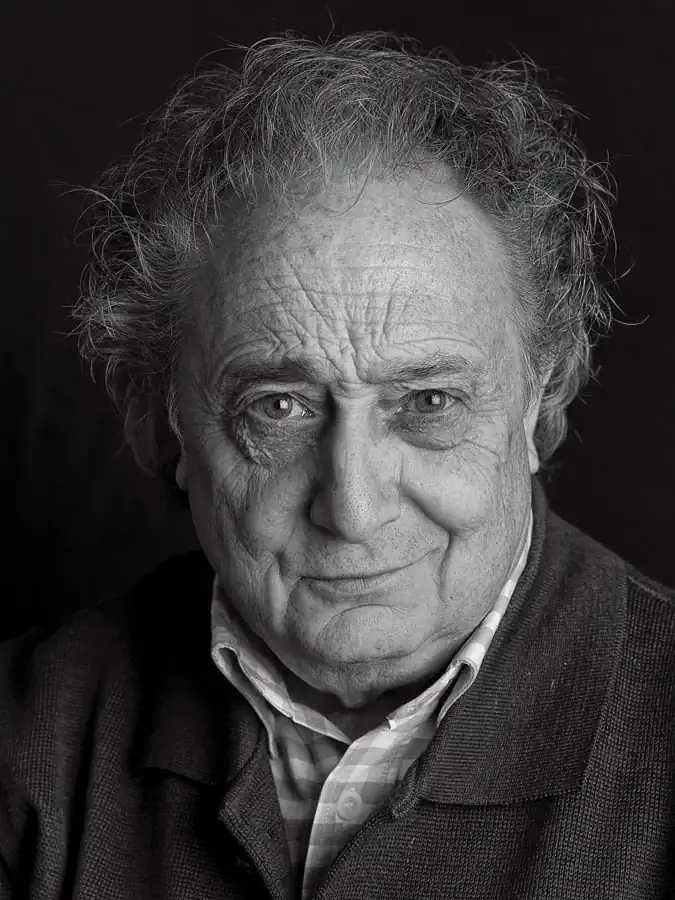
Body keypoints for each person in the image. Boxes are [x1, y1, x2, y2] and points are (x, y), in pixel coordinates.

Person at [1, 31, 673, 900]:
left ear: (538, 403)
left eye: (428, 402)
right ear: (158, 423)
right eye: (277, 408)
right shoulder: (23, 740)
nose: (352, 510)